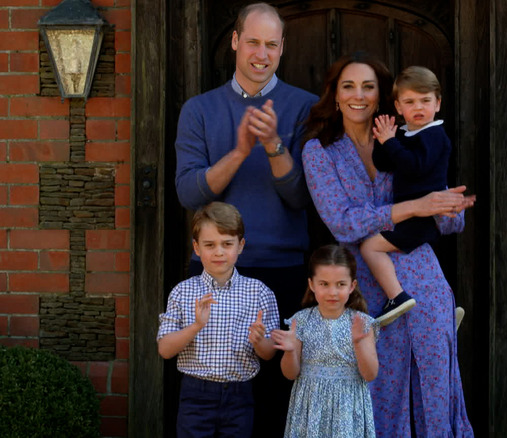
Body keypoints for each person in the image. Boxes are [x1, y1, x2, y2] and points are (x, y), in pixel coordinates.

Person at [301, 52, 475, 437]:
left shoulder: (409, 139)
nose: (358, 95)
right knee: (376, 387)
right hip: (362, 284)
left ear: (381, 97)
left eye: (368, 87)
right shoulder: (319, 151)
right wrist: (415, 206)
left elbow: (447, 220)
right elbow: (343, 223)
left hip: (422, 274)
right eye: (348, 86)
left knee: (434, 381)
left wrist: (449, 207)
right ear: (335, 95)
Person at [173, 3, 318, 435]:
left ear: (282, 48)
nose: (261, 53)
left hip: (284, 271)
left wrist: (273, 144)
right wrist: (239, 151)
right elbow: (189, 193)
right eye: (252, 41)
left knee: (277, 398)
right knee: (213, 396)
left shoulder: (305, 107)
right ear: (235, 41)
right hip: (214, 273)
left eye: (271, 44)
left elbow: (301, 198)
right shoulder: (199, 110)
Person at [157, 202, 280, 438]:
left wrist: (259, 341)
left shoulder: (259, 292)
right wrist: (196, 326)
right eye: (210, 245)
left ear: (240, 246)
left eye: (227, 244)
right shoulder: (183, 292)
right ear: (196, 248)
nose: (219, 252)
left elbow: (269, 353)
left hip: (239, 394)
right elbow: (165, 349)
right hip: (196, 393)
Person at [361, 65, 452, 326]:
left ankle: (397, 297)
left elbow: (415, 166)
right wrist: (383, 139)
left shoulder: (434, 135)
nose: (419, 107)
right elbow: (384, 164)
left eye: (425, 100)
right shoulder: (406, 133)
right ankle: (439, 311)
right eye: (410, 102)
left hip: (421, 218)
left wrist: (391, 142)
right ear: (399, 107)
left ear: (438, 103)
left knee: (370, 247)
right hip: (409, 214)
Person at [271, 245, 378, 438]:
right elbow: (290, 373)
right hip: (310, 406)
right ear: (312, 284)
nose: (332, 292)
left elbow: (370, 374)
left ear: (352, 286)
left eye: (340, 284)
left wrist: (359, 344)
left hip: (347, 407)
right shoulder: (301, 321)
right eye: (324, 284)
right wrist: (290, 351)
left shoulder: (362, 323)